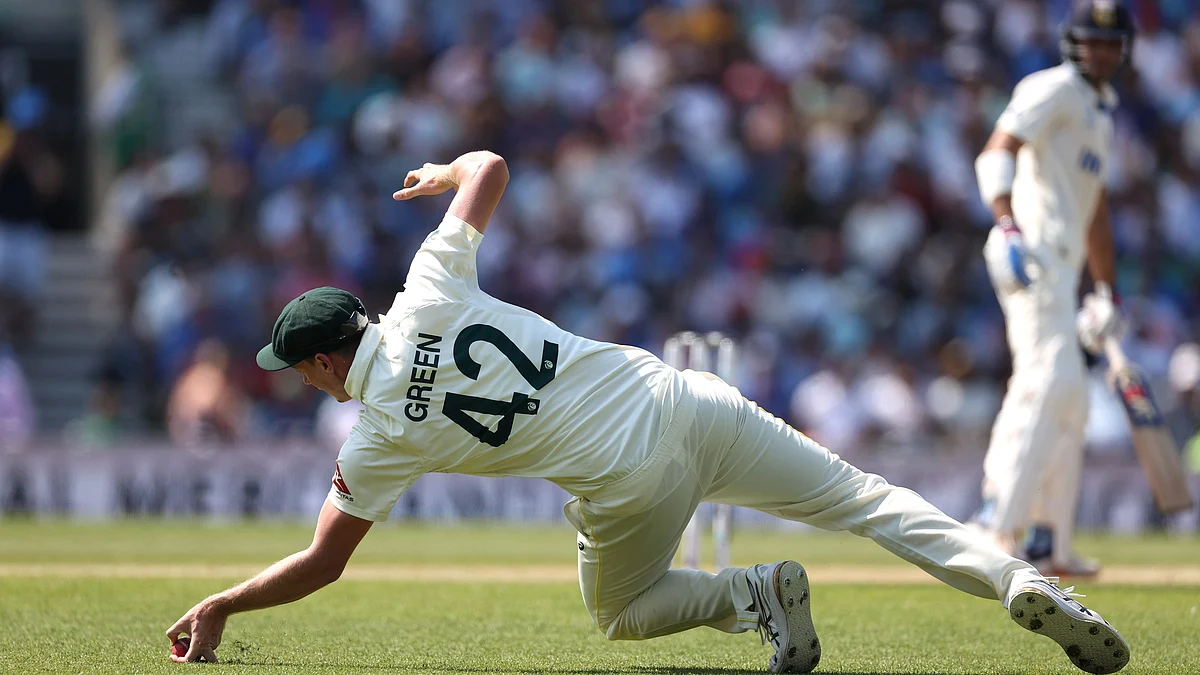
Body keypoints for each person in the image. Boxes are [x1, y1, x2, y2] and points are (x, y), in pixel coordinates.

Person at [167, 150, 1130, 674]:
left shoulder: (378, 432)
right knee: (867, 499)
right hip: (687, 396)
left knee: (621, 614)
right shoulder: (426, 284)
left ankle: (751, 594)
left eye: (299, 367)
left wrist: (223, 603)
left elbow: (323, 562)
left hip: (628, 483)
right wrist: (439, 175)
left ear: (331, 356)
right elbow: (493, 165)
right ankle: (1017, 581)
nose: (299, 380)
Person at [970, 0, 1133, 578]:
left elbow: (1095, 211)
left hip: (1064, 271)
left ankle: (1047, 540)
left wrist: (1107, 290)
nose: (1105, 51)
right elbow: (997, 149)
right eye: (1095, 41)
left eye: (1113, 43)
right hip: (1029, 253)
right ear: (1074, 43)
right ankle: (996, 524)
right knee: (1049, 378)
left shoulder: (1101, 110)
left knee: (1073, 395)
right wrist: (1006, 222)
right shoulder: (1054, 88)